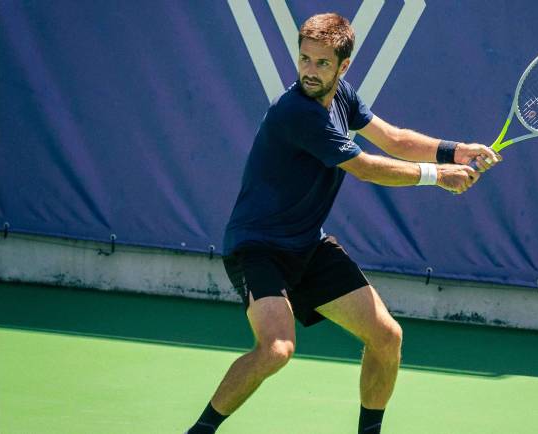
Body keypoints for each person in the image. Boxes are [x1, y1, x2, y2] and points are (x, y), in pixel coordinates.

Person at [186, 12, 500, 434]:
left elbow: (394, 139)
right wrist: (438, 176)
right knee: (277, 349)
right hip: (258, 247)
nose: (309, 72)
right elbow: (366, 167)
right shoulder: (296, 113)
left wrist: (455, 151)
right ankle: (201, 430)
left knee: (387, 337)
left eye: (321, 63)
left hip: (308, 246)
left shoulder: (342, 98)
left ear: (343, 67)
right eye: (304, 60)